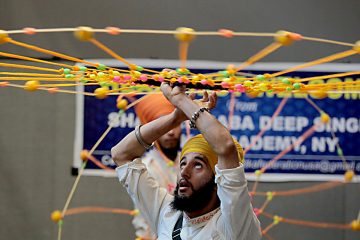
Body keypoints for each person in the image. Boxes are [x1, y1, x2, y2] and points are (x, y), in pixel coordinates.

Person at [112, 83, 261, 240]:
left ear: (218, 179)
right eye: (183, 163)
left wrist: (181, 101)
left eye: (198, 165)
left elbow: (226, 147)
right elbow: (121, 154)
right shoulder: (166, 213)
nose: (184, 172)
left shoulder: (234, 224)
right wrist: (175, 118)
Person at [131, 94, 182, 239]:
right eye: (164, 126)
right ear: (153, 130)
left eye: (174, 124)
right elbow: (145, 218)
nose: (171, 132)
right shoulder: (145, 167)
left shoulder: (189, 163)